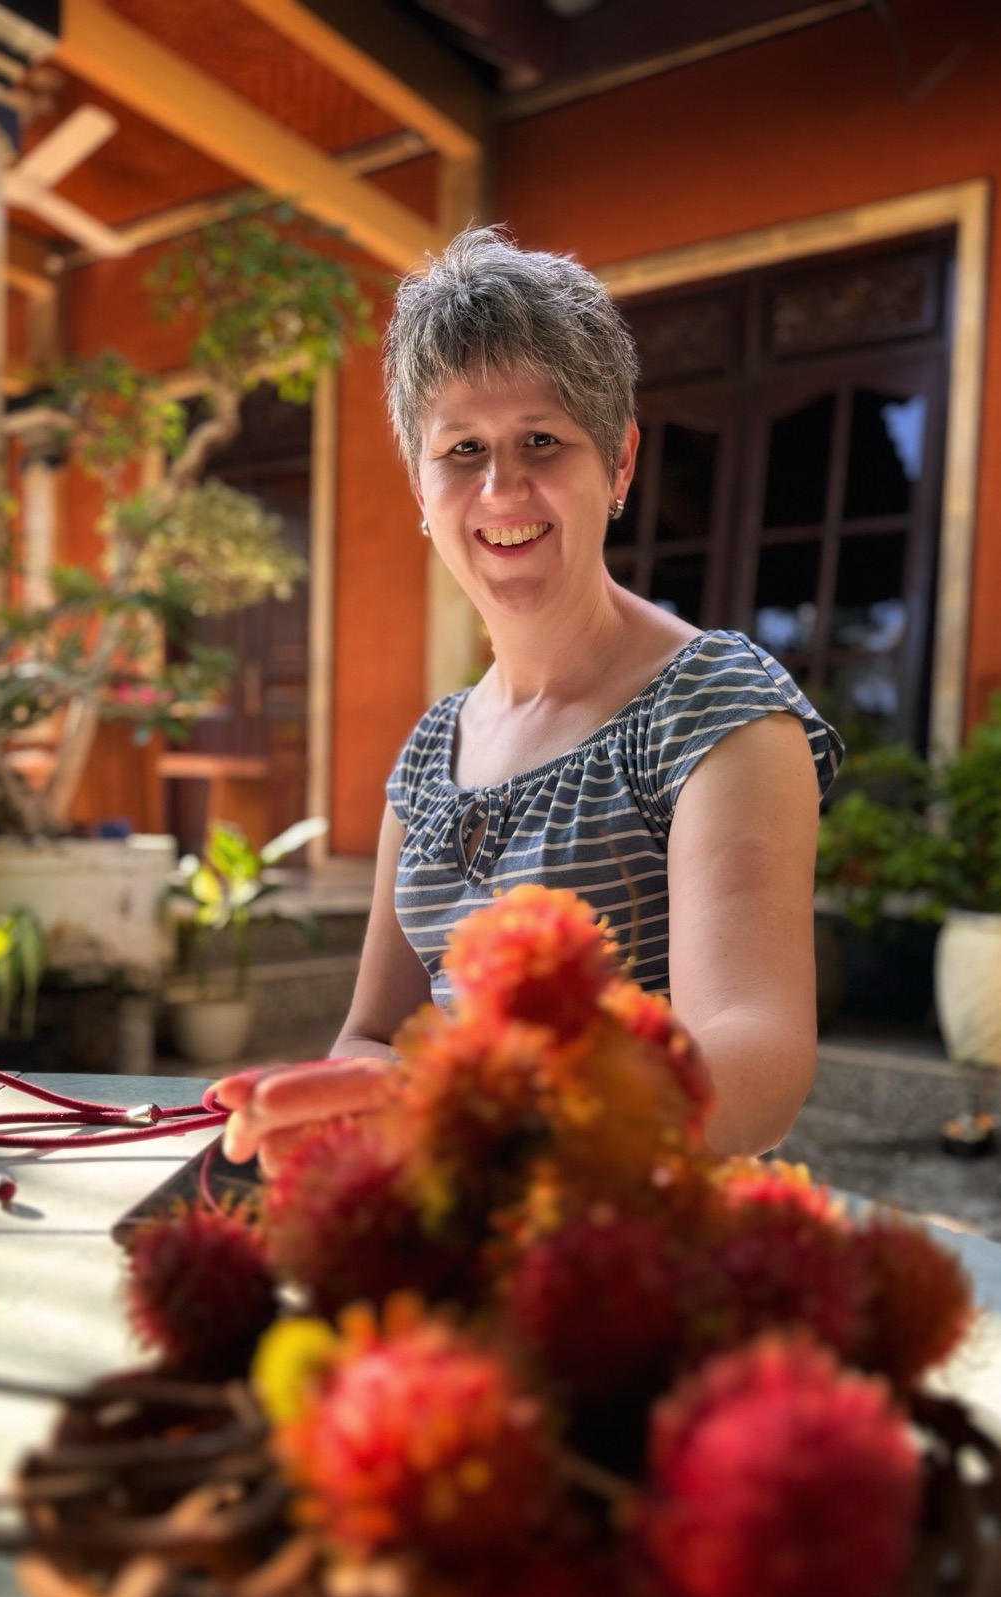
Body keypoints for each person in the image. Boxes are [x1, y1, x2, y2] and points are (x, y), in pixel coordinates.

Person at [216, 227, 841, 1170]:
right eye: (462, 448)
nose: (501, 487)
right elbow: (375, 1034)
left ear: (619, 462)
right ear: (421, 490)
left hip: (635, 1225)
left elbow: (756, 1056)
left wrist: (490, 1123)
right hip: (455, 1212)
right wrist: (355, 1104)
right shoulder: (431, 752)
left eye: (541, 441)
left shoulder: (713, 709)